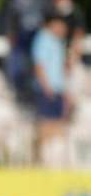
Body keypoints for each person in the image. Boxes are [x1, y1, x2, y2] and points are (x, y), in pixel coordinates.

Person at [32, 12, 69, 159]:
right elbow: (39, 66)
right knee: (46, 123)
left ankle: (54, 157)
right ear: (54, 24)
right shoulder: (43, 40)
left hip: (57, 88)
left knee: (58, 122)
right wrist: (46, 87)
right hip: (47, 89)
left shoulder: (57, 41)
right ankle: (40, 158)